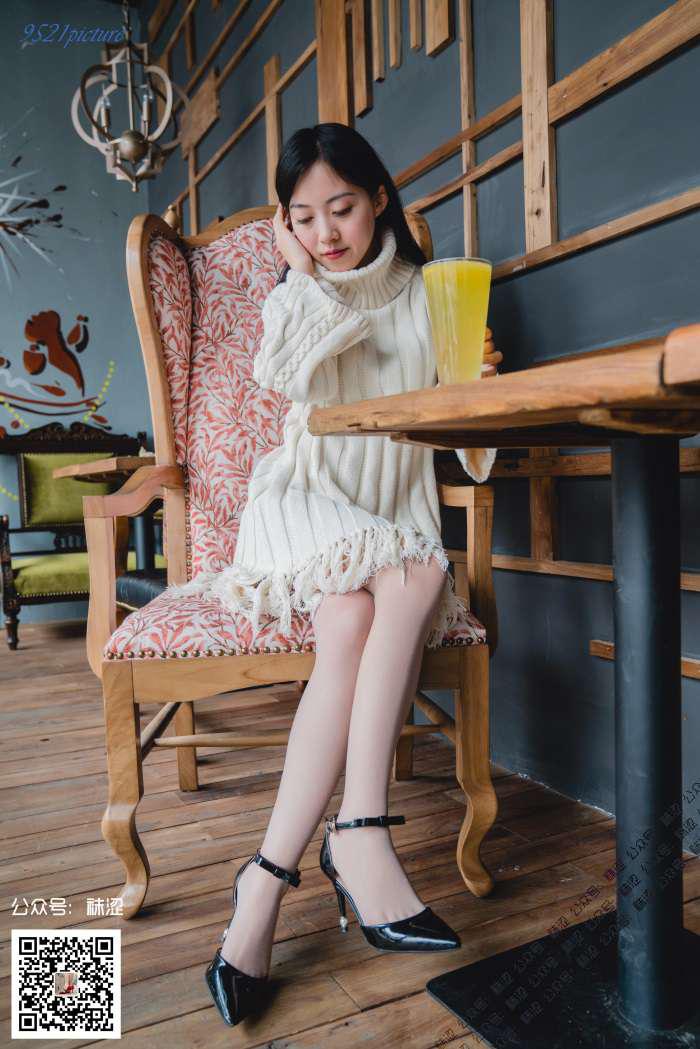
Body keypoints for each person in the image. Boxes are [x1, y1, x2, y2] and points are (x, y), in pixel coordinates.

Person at [190, 123, 497, 1027]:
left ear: (380, 199)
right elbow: (281, 374)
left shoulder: (432, 294)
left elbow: (468, 453)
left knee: (362, 614)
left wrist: (475, 387)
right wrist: (301, 276)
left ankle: (264, 881)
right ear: (287, 225)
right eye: (304, 217)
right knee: (413, 569)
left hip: (390, 511)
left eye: (343, 208)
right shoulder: (299, 288)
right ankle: (359, 834)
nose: (326, 231)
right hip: (304, 502)